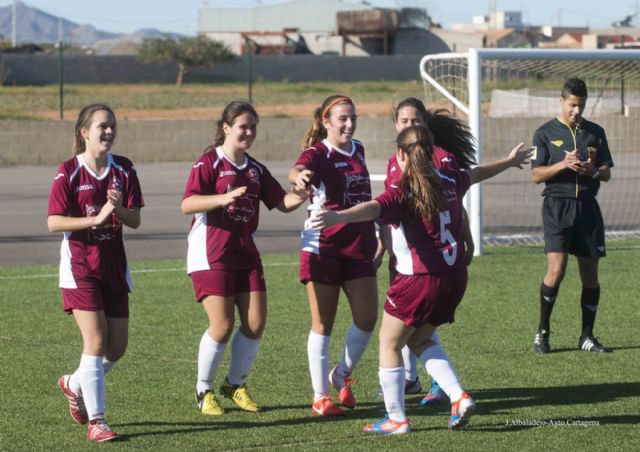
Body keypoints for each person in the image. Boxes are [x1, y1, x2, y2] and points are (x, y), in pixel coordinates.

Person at [311, 125, 532, 434]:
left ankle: (396, 419)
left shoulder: (403, 190)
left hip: (419, 281)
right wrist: (508, 162)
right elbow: (477, 173)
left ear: (401, 154)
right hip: (454, 279)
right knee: (419, 339)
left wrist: (339, 216)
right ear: (432, 152)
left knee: (389, 344)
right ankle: (458, 396)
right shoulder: (451, 177)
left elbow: (373, 208)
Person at [377, 97, 533, 406]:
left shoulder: (440, 162)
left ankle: (402, 410)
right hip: (421, 261)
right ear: (396, 126)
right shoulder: (397, 162)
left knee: (393, 339)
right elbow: (467, 180)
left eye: (416, 120)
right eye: (405, 121)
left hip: (425, 266)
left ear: (426, 124)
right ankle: (436, 388)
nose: (411, 125)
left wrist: (339, 216)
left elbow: (447, 203)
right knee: (415, 334)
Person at [182, 101, 307, 416]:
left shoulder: (255, 169)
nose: (249, 132)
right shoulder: (209, 163)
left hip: (245, 253)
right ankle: (204, 389)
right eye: (243, 126)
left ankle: (234, 384)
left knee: (255, 322)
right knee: (222, 326)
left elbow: (282, 202)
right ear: (226, 128)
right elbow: (188, 204)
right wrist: (222, 198)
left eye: (253, 127)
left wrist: (303, 193)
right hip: (211, 254)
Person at [48, 103, 144, 443]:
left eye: (112, 125)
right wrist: (94, 219)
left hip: (114, 267)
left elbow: (134, 220)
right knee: (97, 340)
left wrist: (117, 208)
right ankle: (97, 421)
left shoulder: (124, 169)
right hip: (80, 267)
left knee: (116, 348)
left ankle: (74, 384)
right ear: (84, 132)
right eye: (102, 125)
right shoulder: (69, 171)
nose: (108, 131)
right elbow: (54, 221)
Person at [288, 95, 379, 416]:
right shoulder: (318, 152)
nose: (349, 124)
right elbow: (297, 169)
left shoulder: (360, 149)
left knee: (367, 318)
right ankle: (320, 396)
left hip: (359, 247)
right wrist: (298, 177)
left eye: (352, 117)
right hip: (322, 247)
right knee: (322, 324)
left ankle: (341, 374)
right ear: (326, 122)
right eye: (342, 118)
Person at [531, 78, 614, 354]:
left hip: (588, 208)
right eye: (572, 105)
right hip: (557, 206)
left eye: (581, 105)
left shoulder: (595, 132)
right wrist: (562, 164)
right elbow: (536, 175)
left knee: (590, 275)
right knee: (556, 271)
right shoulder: (544, 133)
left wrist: (593, 172)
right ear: (562, 101)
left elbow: (606, 172)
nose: (577, 111)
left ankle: (587, 336)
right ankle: (542, 332)